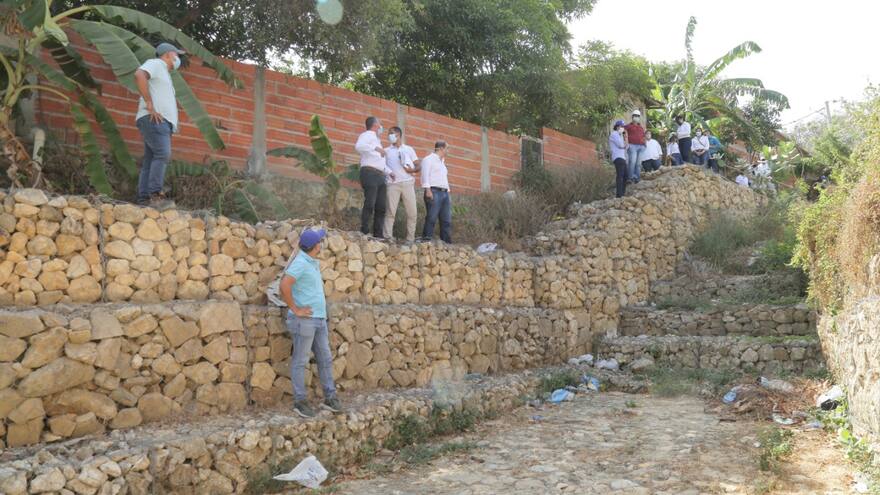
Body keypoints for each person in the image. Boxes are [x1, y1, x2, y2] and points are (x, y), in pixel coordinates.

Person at [279, 228, 342, 418]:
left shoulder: (311, 261)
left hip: (318, 319)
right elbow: (284, 285)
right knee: (300, 360)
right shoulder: (300, 263)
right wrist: (296, 309)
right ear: (316, 246)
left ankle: (330, 397)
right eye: (320, 241)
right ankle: (300, 402)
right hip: (304, 321)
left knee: (325, 358)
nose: (322, 244)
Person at [134, 42, 186, 209]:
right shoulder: (156, 64)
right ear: (168, 54)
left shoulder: (164, 73)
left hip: (161, 123)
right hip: (154, 119)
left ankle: (144, 199)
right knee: (163, 154)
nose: (177, 58)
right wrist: (149, 104)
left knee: (151, 159)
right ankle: (155, 195)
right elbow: (139, 75)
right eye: (176, 55)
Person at [355, 117, 395, 239]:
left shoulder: (377, 140)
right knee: (370, 203)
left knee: (381, 206)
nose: (381, 127)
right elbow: (359, 146)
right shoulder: (367, 135)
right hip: (370, 173)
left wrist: (389, 172)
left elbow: (378, 161)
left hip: (380, 175)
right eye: (380, 124)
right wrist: (376, 148)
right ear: (375, 125)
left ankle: (378, 234)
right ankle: (364, 230)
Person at [382, 126, 420, 243]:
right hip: (392, 184)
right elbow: (382, 166)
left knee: (412, 213)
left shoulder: (409, 149)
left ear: (399, 135)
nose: (389, 136)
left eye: (392, 133)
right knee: (390, 212)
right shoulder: (386, 151)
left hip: (408, 183)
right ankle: (388, 237)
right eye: (389, 133)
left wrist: (411, 171)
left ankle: (410, 239)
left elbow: (419, 165)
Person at [420, 141, 453, 243]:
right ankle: (426, 240)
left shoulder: (442, 162)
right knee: (431, 218)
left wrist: (448, 191)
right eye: (447, 148)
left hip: (444, 193)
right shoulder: (428, 159)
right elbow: (425, 175)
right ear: (440, 149)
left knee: (446, 220)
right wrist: (428, 190)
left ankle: (446, 243)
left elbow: (443, 178)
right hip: (434, 191)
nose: (448, 151)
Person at [623, 110, 646, 183]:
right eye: (635, 115)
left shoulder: (641, 128)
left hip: (641, 146)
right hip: (632, 146)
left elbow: (643, 136)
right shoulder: (627, 126)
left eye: (638, 116)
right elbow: (623, 134)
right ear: (632, 117)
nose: (636, 117)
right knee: (632, 162)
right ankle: (630, 178)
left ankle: (637, 178)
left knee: (638, 163)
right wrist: (627, 143)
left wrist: (645, 144)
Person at [609, 120, 628, 198]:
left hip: (622, 157)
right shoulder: (614, 134)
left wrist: (625, 138)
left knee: (625, 176)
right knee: (620, 176)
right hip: (617, 157)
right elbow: (621, 145)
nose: (623, 128)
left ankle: (622, 193)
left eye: (623, 127)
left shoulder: (620, 136)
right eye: (621, 126)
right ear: (617, 127)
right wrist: (625, 140)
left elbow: (627, 146)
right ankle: (619, 194)